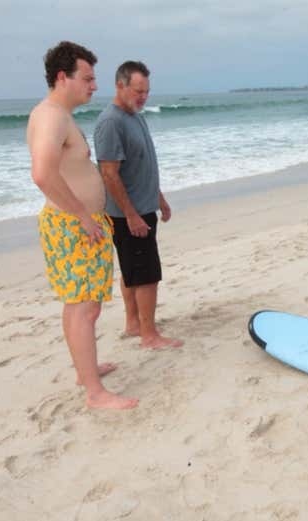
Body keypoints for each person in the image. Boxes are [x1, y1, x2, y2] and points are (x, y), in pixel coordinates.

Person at [27, 41, 138, 410]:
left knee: (83, 307)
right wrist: (82, 216)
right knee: (83, 308)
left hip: (76, 223)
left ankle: (84, 371)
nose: (94, 86)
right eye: (87, 78)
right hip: (72, 226)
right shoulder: (51, 117)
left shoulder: (59, 115)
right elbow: (42, 175)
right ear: (63, 77)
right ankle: (94, 393)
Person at [94, 61, 183, 349]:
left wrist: (159, 198)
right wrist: (131, 215)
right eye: (138, 91)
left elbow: (141, 165)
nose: (143, 96)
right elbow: (109, 173)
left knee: (132, 270)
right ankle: (149, 335)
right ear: (120, 86)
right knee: (146, 275)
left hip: (143, 208)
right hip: (128, 214)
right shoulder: (111, 122)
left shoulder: (135, 115)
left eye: (146, 91)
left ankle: (134, 323)